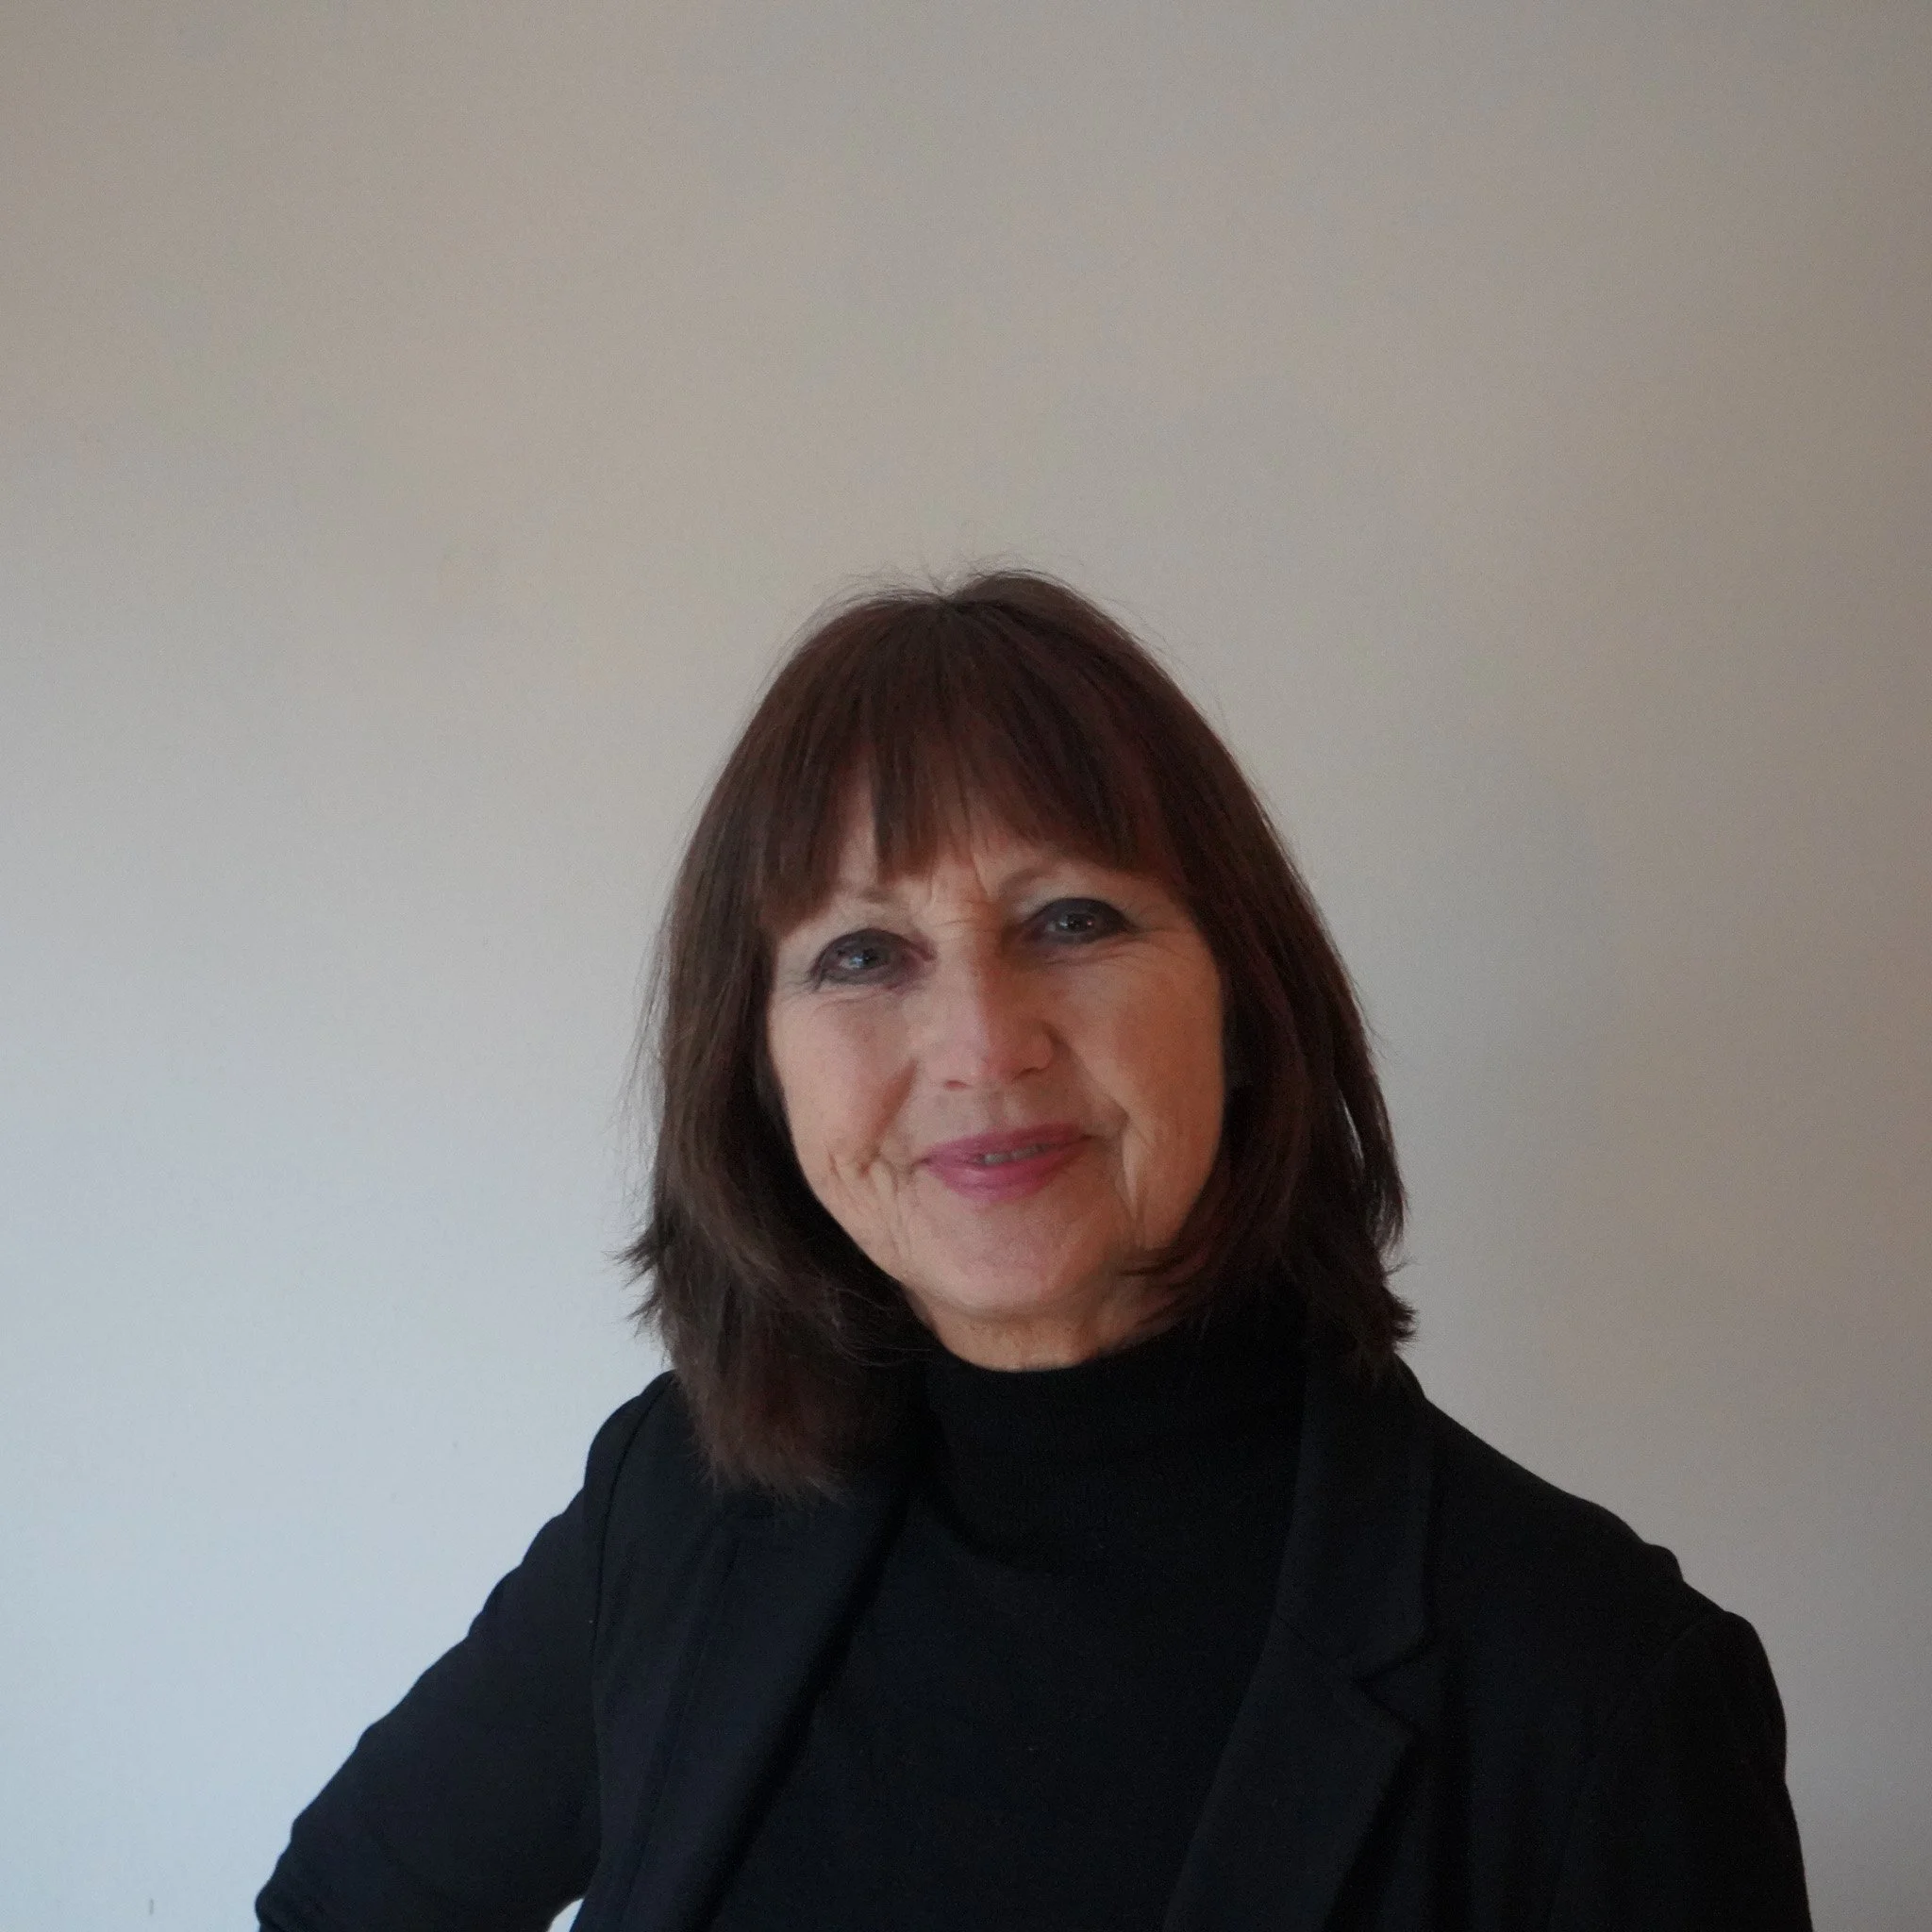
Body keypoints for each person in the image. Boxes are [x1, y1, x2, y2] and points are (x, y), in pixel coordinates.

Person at [257, 572, 1811, 1931]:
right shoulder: (674, 1502)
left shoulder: (1599, 1685)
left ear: (1243, 1007)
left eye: (1071, 920)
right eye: (864, 953)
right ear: (759, 1071)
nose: (983, 1044)